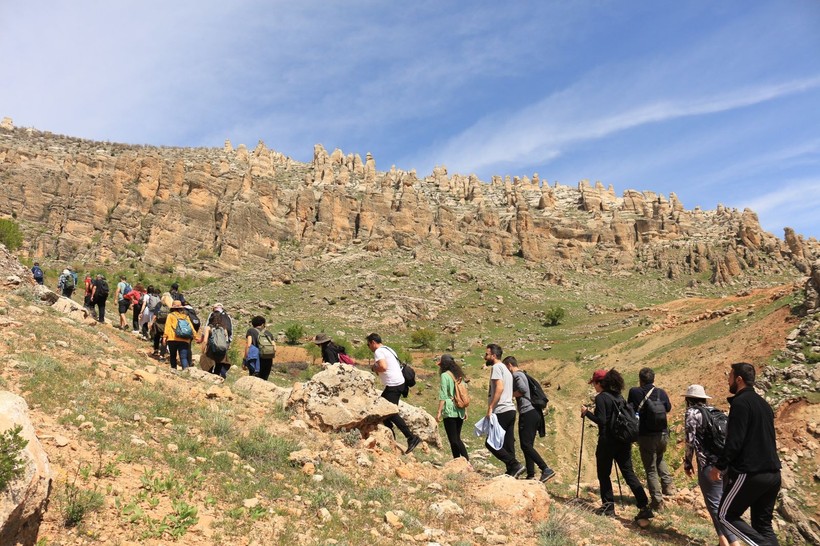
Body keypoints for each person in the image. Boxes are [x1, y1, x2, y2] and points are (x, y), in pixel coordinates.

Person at [710, 363, 782, 546]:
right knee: (762, 525)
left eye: (730, 376)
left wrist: (720, 465)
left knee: (725, 515)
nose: (728, 380)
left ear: (739, 379)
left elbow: (735, 441)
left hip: (751, 472)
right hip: (773, 473)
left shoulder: (741, 403)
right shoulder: (763, 404)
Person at [581, 368, 653, 520]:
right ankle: (644, 505)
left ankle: (608, 507)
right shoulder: (619, 397)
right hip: (623, 441)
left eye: (594, 383)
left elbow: (601, 421)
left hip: (607, 441)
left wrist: (586, 413)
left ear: (600, 383)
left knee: (604, 474)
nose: (594, 386)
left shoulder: (601, 398)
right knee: (628, 473)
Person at [683, 385, 740, 546]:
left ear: (688, 399)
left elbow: (690, 441)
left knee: (715, 506)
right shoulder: (716, 412)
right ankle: (723, 541)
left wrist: (687, 463)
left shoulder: (692, 413)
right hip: (726, 463)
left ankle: (734, 543)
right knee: (723, 505)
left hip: (708, 465)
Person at [627, 367, 675, 510]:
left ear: (640, 379)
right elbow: (668, 408)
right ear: (653, 379)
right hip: (663, 434)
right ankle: (669, 487)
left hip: (647, 435)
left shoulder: (635, 392)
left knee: (651, 468)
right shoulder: (661, 393)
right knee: (659, 457)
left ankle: (657, 501)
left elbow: (630, 408)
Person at [366, 333, 422, 454]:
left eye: (368, 344)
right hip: (399, 383)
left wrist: (373, 367)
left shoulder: (379, 352)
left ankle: (411, 437)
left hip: (393, 385)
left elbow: (383, 367)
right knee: (383, 410)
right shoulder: (388, 349)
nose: (369, 347)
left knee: (390, 411)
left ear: (373, 342)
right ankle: (390, 435)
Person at [504, 356, 555, 482]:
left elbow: (522, 390)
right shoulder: (523, 374)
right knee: (528, 445)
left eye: (506, 368)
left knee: (525, 444)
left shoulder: (517, 375)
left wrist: (509, 395)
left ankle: (545, 469)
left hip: (528, 412)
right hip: (534, 412)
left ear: (510, 365)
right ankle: (531, 473)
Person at [484, 344, 524, 477]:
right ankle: (513, 471)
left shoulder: (496, 367)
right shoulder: (507, 370)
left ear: (494, 356)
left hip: (501, 409)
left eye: (487, 354)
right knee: (508, 442)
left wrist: (490, 407)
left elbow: (499, 388)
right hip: (511, 409)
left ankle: (514, 464)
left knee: (490, 442)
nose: (485, 357)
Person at [435, 354, 469, 461]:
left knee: (453, 439)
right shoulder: (459, 376)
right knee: (457, 438)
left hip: (450, 409)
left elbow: (443, 394)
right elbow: (463, 394)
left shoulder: (445, 375)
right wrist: (465, 410)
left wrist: (439, 412)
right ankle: (461, 461)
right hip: (460, 409)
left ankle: (463, 461)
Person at [199, 304, 234, 378]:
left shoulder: (208, 328)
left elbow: (205, 341)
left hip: (211, 348)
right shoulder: (224, 328)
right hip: (221, 348)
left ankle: (209, 377)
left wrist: (202, 351)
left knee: (208, 362)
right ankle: (217, 377)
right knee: (219, 363)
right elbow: (227, 340)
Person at [162, 300, 195, 370]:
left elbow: (167, 326)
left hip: (172, 338)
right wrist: (196, 337)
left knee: (173, 355)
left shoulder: (170, 315)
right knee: (183, 357)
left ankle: (173, 370)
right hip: (185, 339)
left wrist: (164, 337)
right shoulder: (185, 316)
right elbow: (191, 327)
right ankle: (185, 371)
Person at [245, 316, 275, 380]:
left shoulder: (251, 331)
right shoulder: (268, 333)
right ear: (263, 324)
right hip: (268, 359)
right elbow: (274, 348)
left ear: (253, 324)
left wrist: (245, 359)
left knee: (254, 379)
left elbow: (248, 345)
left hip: (255, 359)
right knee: (264, 380)